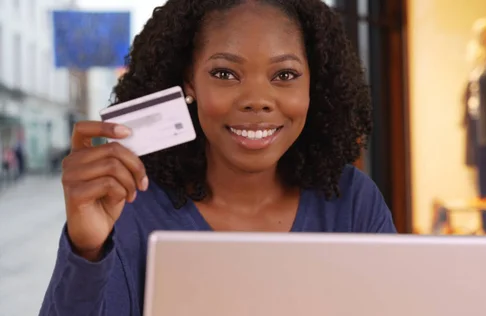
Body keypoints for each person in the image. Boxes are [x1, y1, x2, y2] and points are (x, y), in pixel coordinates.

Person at [39, 0, 396, 315]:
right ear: (189, 82)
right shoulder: (130, 202)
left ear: (313, 85)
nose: (257, 99)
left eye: (284, 75)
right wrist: (86, 249)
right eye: (225, 74)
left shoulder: (352, 201)